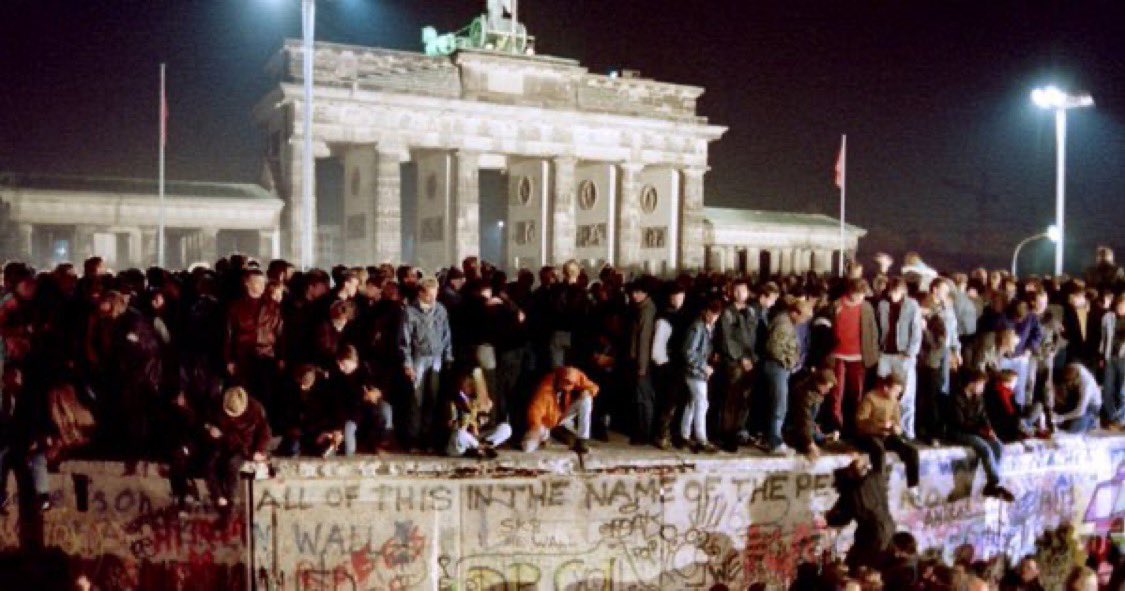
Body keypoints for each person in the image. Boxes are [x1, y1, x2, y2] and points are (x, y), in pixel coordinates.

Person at [399, 277, 453, 451]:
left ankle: (428, 438)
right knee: (416, 400)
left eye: (435, 294)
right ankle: (412, 439)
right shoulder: (410, 312)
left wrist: (448, 357)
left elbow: (446, 336)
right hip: (418, 358)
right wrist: (407, 364)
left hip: (436, 358)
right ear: (421, 293)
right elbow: (404, 341)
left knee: (433, 399)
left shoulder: (440, 310)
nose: (433, 298)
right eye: (429, 295)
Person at [947, 370, 1015, 502]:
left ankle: (991, 483)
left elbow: (984, 417)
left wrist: (989, 430)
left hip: (976, 431)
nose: (983, 387)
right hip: (959, 432)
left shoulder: (978, 398)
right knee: (984, 448)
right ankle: (994, 482)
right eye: (981, 384)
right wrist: (981, 431)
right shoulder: (956, 397)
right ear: (972, 383)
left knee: (998, 446)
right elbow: (960, 423)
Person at [855, 374, 921, 503]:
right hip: (869, 435)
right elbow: (860, 422)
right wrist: (880, 426)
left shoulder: (894, 401)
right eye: (895, 390)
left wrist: (896, 429)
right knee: (879, 452)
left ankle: (913, 488)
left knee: (912, 452)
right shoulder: (870, 398)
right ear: (886, 388)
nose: (897, 394)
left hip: (887, 435)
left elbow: (898, 424)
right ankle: (879, 488)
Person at [204, 386, 270, 511]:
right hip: (222, 443)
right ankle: (218, 496)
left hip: (243, 447)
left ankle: (231, 501)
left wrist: (259, 450)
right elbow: (206, 421)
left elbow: (264, 432)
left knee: (232, 465)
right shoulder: (217, 405)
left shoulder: (255, 409)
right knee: (210, 463)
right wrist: (210, 429)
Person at [828, 278, 880, 438]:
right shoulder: (836, 306)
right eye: (859, 294)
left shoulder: (867, 307)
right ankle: (836, 426)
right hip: (838, 355)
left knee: (857, 393)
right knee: (837, 393)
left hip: (859, 356)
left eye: (863, 295)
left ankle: (854, 426)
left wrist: (872, 354)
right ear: (851, 292)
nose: (861, 298)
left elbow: (873, 332)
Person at [762, 298, 813, 455]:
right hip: (777, 368)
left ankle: (774, 438)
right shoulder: (783, 324)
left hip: (782, 368)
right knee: (779, 405)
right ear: (795, 313)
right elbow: (773, 347)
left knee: (779, 404)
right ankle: (774, 441)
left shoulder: (787, 323)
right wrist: (788, 361)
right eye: (803, 318)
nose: (803, 322)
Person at [826, 455, 894, 573]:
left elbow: (841, 519)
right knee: (872, 566)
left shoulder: (853, 493)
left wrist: (828, 516)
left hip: (872, 535)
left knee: (856, 567)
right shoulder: (876, 478)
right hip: (888, 528)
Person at [877, 277, 923, 439]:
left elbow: (916, 331)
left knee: (906, 394)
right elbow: (880, 328)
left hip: (903, 355)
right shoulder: (883, 305)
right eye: (891, 291)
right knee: (883, 392)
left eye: (896, 291)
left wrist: (911, 353)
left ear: (903, 291)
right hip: (886, 354)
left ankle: (907, 431)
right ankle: (885, 428)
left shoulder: (912, 305)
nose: (892, 295)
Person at [715, 279, 758, 450]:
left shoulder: (751, 311)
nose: (740, 294)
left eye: (743, 291)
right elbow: (727, 339)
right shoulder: (727, 313)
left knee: (745, 399)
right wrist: (741, 358)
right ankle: (727, 434)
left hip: (750, 360)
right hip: (733, 361)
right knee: (731, 398)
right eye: (737, 291)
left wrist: (752, 358)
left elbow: (754, 337)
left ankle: (740, 430)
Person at [680, 299, 723, 454]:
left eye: (716, 315)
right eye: (711, 314)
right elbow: (688, 353)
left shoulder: (709, 327)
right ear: (705, 312)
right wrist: (703, 366)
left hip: (698, 371)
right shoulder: (697, 327)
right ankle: (701, 439)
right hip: (694, 372)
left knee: (693, 403)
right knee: (702, 403)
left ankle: (684, 435)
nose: (713, 318)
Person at [522, 367, 598, 453]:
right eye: (564, 382)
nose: (566, 386)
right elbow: (535, 411)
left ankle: (582, 440)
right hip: (547, 422)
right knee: (527, 447)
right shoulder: (545, 389)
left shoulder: (577, 376)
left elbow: (593, 387)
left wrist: (588, 391)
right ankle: (550, 435)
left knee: (587, 399)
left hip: (562, 416)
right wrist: (535, 427)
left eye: (569, 384)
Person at [652, 282, 690, 450]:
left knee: (679, 400)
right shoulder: (665, 318)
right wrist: (663, 363)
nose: (678, 299)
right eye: (676, 296)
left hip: (679, 364)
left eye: (681, 296)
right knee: (668, 401)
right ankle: (662, 434)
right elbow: (658, 346)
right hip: (668, 365)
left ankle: (674, 433)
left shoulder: (682, 315)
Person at [446, 368, 511, 458]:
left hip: (477, 437)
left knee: (506, 428)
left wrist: (481, 421)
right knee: (459, 434)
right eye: (467, 384)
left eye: (472, 384)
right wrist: (462, 423)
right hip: (462, 442)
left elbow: (488, 420)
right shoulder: (453, 402)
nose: (470, 387)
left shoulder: (478, 400)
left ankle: (484, 447)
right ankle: (480, 448)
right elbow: (451, 425)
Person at [626, 278, 657, 445]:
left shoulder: (646, 311)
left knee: (643, 398)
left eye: (638, 292)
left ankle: (644, 433)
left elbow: (644, 340)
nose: (634, 295)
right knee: (640, 397)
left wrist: (642, 365)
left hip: (642, 362)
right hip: (638, 360)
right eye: (633, 292)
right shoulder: (639, 308)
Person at [788, 369, 839, 460]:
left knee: (818, 435)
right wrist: (810, 444)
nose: (828, 391)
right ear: (818, 383)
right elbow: (804, 420)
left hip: (807, 426)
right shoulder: (805, 395)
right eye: (826, 387)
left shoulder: (817, 394)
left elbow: (811, 420)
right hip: (793, 428)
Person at [1099, 294, 1125, 429]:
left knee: (1122, 391)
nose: (1121, 308)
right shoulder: (1108, 317)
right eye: (1120, 305)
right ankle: (1112, 417)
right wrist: (1101, 356)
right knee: (1107, 388)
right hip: (1110, 357)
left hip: (1123, 358)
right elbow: (1103, 339)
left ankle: (1121, 419)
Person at [1052, 363, 1102, 434]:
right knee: (1064, 425)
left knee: (1074, 431)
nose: (1068, 384)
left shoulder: (1086, 386)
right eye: (1067, 381)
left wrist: (1062, 417)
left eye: (1071, 382)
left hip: (1091, 406)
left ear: (1076, 379)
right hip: (1077, 398)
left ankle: (1092, 420)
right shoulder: (1074, 367)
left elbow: (1080, 411)